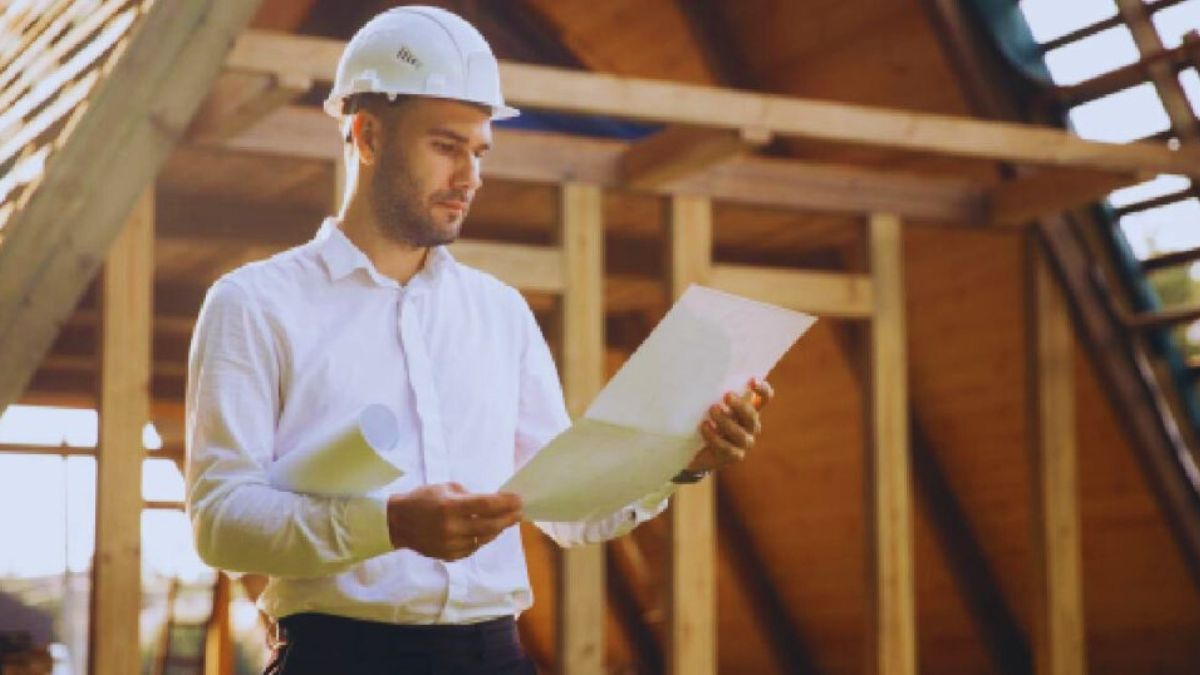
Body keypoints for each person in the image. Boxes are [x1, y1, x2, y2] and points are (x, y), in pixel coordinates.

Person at [184, 6, 773, 674]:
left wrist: (681, 455)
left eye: (478, 150)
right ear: (367, 135)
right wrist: (392, 525)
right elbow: (221, 522)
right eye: (446, 146)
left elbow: (569, 509)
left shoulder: (501, 313)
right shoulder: (253, 304)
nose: (471, 177)